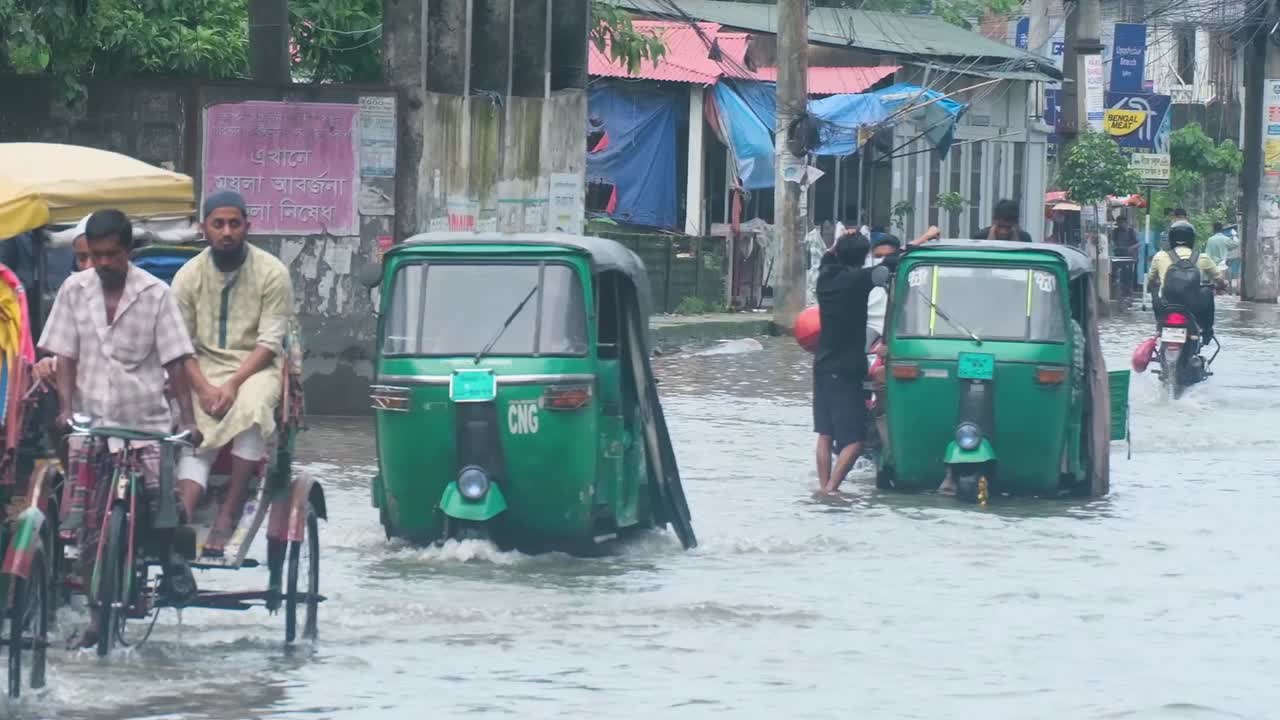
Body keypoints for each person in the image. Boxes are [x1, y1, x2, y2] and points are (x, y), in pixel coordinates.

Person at [38, 209, 201, 646]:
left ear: (128, 252)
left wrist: (187, 420)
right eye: (96, 255)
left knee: (158, 495)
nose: (103, 263)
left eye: (112, 254)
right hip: (92, 422)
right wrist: (66, 409)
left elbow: (176, 362)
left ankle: (171, 561)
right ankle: (96, 616)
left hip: (145, 422)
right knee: (89, 522)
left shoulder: (156, 294)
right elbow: (66, 356)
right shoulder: (75, 290)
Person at [172, 190, 294, 557]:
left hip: (255, 366)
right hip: (200, 365)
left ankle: (230, 508)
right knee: (188, 416)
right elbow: (179, 344)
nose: (227, 232)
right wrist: (204, 387)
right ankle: (182, 515)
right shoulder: (187, 276)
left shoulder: (273, 272)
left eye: (234, 224)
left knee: (254, 405)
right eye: (218, 224)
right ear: (203, 229)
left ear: (247, 227)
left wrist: (232, 384)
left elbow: (270, 342)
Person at [33, 214, 93, 384]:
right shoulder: (71, 291)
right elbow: (55, 354)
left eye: (95, 256)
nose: (88, 266)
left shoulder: (149, 294)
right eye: (82, 258)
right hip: (80, 405)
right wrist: (46, 365)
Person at [1147, 224, 1226, 343]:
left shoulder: (1159, 256)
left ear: (1171, 239)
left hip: (1165, 307)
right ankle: (1207, 331)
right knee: (1207, 292)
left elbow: (1151, 280)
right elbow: (1219, 280)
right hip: (1193, 308)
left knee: (1154, 290)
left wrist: (1154, 285)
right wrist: (1222, 286)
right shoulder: (1202, 258)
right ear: (1192, 239)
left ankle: (1159, 325)